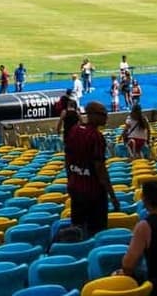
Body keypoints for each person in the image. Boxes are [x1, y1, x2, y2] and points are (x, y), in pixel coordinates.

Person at [64, 100, 120, 237]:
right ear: (92, 115)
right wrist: (112, 196)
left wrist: (71, 180)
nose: (106, 117)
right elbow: (100, 170)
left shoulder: (74, 131)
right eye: (103, 114)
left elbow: (67, 159)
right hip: (93, 194)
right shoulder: (96, 137)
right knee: (97, 233)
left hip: (76, 189)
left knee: (77, 231)